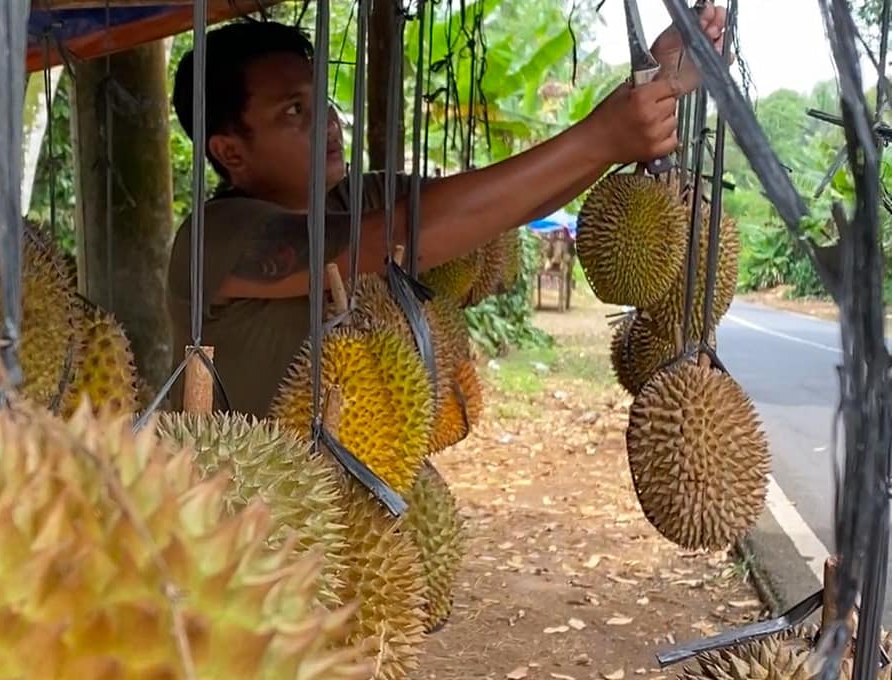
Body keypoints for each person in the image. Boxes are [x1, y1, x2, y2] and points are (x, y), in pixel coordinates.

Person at [168, 7, 728, 417]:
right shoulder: (214, 239)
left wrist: (657, 84)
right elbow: (407, 233)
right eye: (295, 110)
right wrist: (603, 136)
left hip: (339, 514)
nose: (328, 123)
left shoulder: (355, 199)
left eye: (322, 102)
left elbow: (504, 205)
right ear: (230, 151)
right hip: (242, 534)